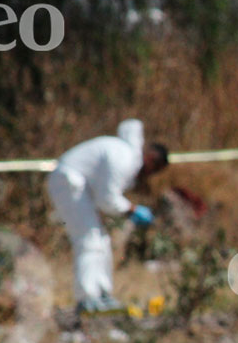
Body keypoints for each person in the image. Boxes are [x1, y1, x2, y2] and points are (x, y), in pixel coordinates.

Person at [47, 119, 169, 313]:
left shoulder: (123, 154)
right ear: (151, 159)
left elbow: (101, 191)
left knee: (101, 239)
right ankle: (87, 299)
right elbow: (108, 199)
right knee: (89, 239)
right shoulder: (124, 159)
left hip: (80, 187)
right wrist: (133, 210)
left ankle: (102, 294)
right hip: (69, 183)